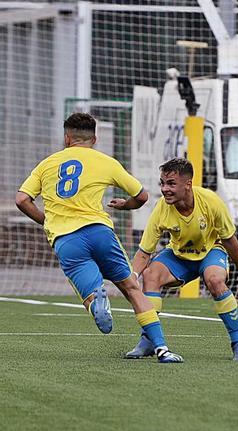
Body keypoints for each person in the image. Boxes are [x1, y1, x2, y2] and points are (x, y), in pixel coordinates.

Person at [15, 113, 183, 363]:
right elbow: (143, 196)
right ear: (94, 138)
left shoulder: (47, 164)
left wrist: (46, 220)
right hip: (100, 232)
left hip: (66, 239)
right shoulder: (107, 162)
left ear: (66, 137)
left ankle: (96, 302)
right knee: (131, 288)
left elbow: (21, 199)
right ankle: (162, 349)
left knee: (89, 294)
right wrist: (125, 205)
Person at [124, 157, 238, 362]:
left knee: (214, 280)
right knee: (150, 275)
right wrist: (133, 275)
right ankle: (148, 341)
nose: (165, 189)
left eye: (171, 183)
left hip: (211, 251)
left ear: (188, 184)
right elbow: (145, 251)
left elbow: (229, 240)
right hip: (179, 256)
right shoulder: (161, 208)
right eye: (162, 183)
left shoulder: (211, 201)